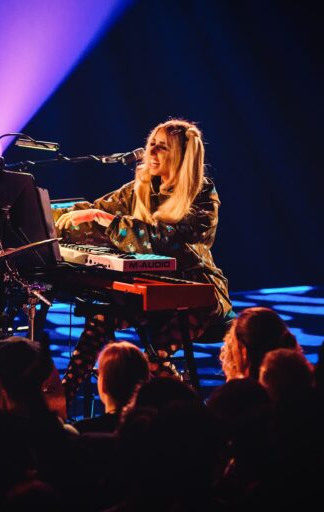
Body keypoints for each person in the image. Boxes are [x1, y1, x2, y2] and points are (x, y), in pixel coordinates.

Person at [54, 119, 233, 403]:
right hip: (150, 288)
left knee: (154, 359)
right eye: (151, 145)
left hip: (197, 293)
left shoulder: (202, 196)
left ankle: (195, 414)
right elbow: (92, 209)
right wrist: (43, 213)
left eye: (162, 148)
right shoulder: (139, 188)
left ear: (181, 156)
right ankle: (63, 400)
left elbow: (165, 239)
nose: (151, 153)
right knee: (99, 318)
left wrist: (106, 221)